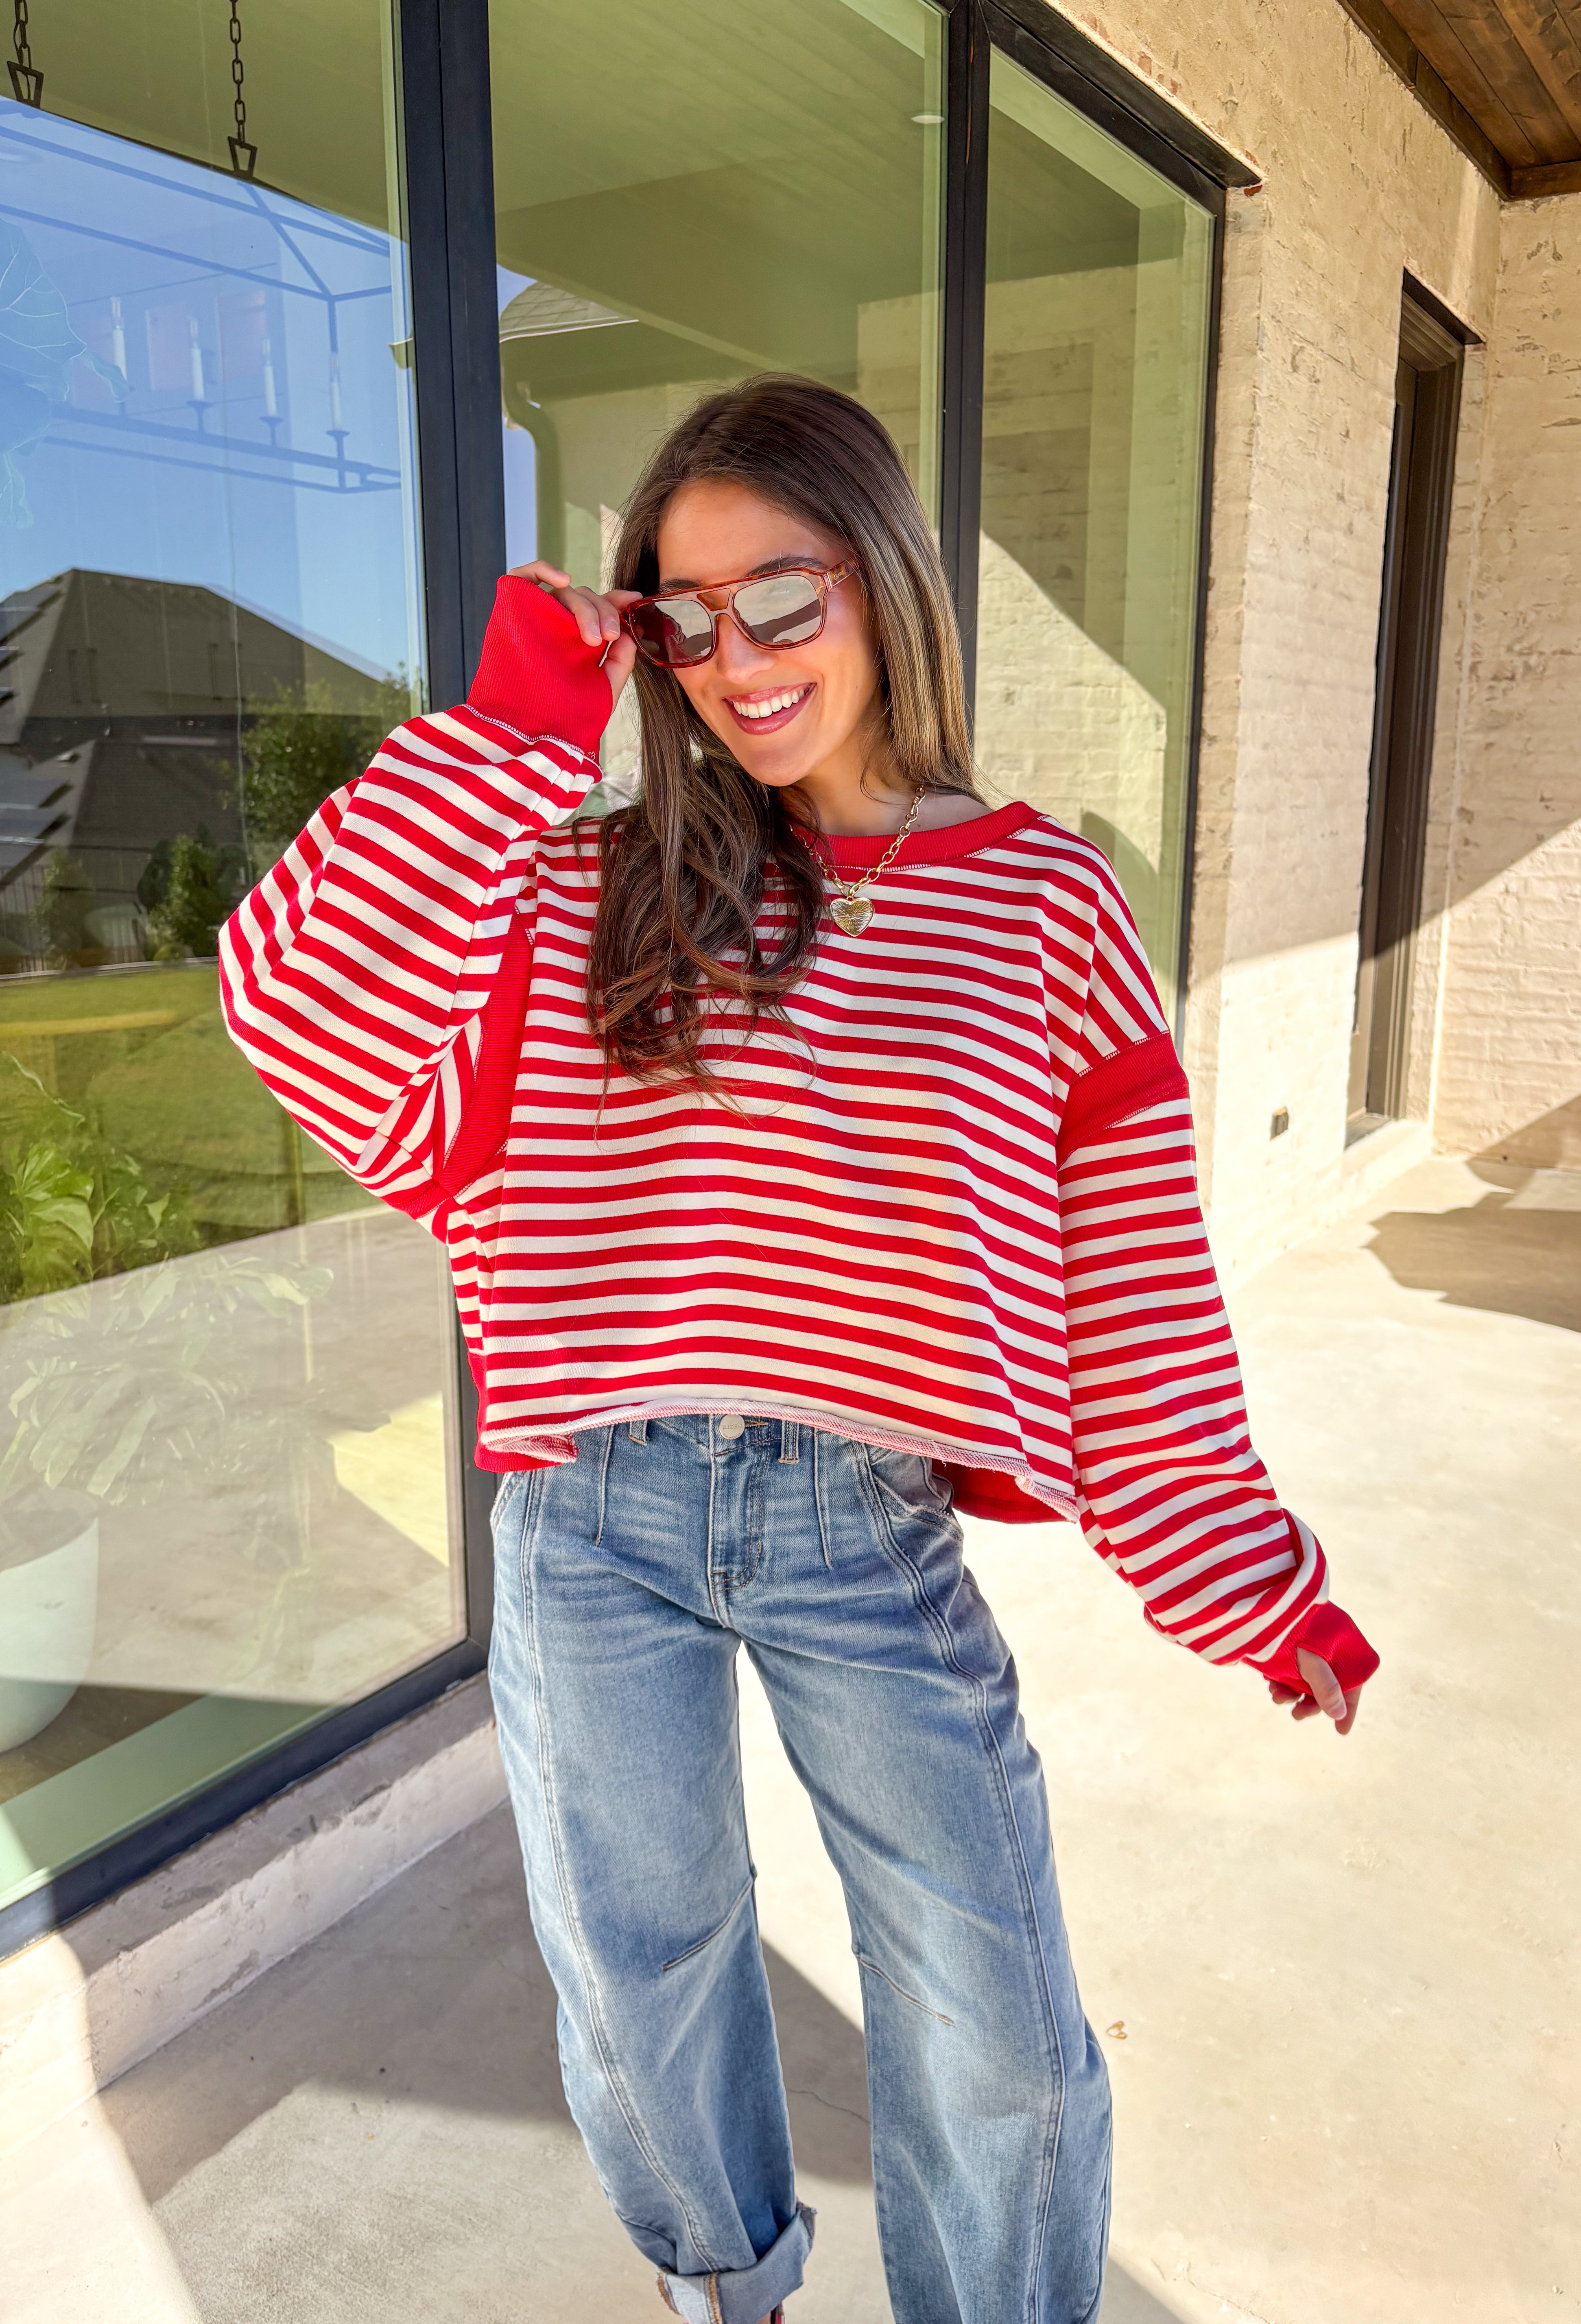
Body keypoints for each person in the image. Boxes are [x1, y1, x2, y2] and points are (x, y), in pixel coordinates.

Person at [220, 374, 1378, 2324]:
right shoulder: (582, 889)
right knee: (643, 1974)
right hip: (589, 1518)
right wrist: (511, 734)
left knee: (989, 2013)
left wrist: (1255, 1587)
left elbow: (1138, 1308)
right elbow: (298, 1016)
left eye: (786, 596)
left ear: (888, 581)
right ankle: (726, 2293)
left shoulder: (1044, 907)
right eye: (686, 617)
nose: (740, 659)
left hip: (864, 1522)